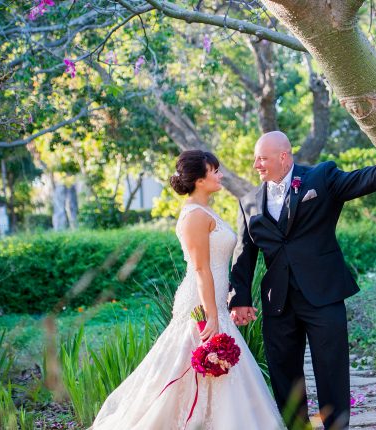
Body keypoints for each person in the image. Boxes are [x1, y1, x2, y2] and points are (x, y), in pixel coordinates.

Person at [92, 150, 284, 430]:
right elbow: (200, 268)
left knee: (218, 371)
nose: (220, 175)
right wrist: (212, 313)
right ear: (198, 179)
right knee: (184, 366)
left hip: (215, 300)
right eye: (214, 171)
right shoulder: (194, 215)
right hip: (200, 302)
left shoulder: (207, 210)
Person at [229, 131, 376, 429]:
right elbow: (244, 255)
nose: (256, 164)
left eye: (262, 158)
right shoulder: (249, 201)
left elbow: (357, 180)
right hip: (277, 302)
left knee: (331, 369)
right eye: (256, 158)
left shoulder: (320, 177)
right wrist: (239, 299)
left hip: (323, 294)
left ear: (284, 156)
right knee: (284, 373)